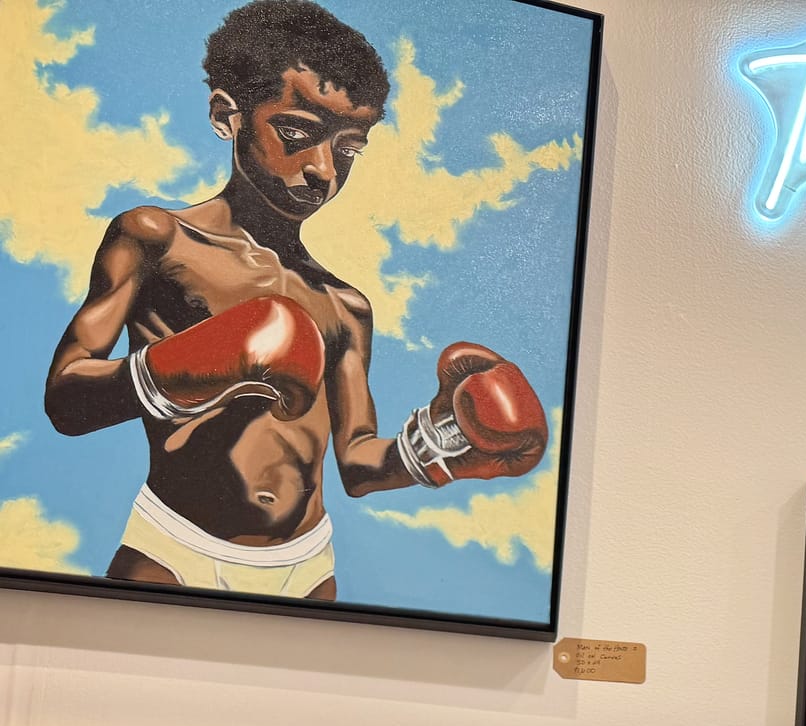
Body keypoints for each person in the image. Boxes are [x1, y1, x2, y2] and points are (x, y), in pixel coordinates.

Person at [43, 0, 548, 599]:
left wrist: (450, 442)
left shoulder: (344, 306)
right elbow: (66, 401)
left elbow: (358, 466)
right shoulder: (156, 238)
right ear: (227, 114)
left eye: (349, 148)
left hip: (309, 562)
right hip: (176, 542)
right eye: (299, 133)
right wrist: (191, 364)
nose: (323, 170)